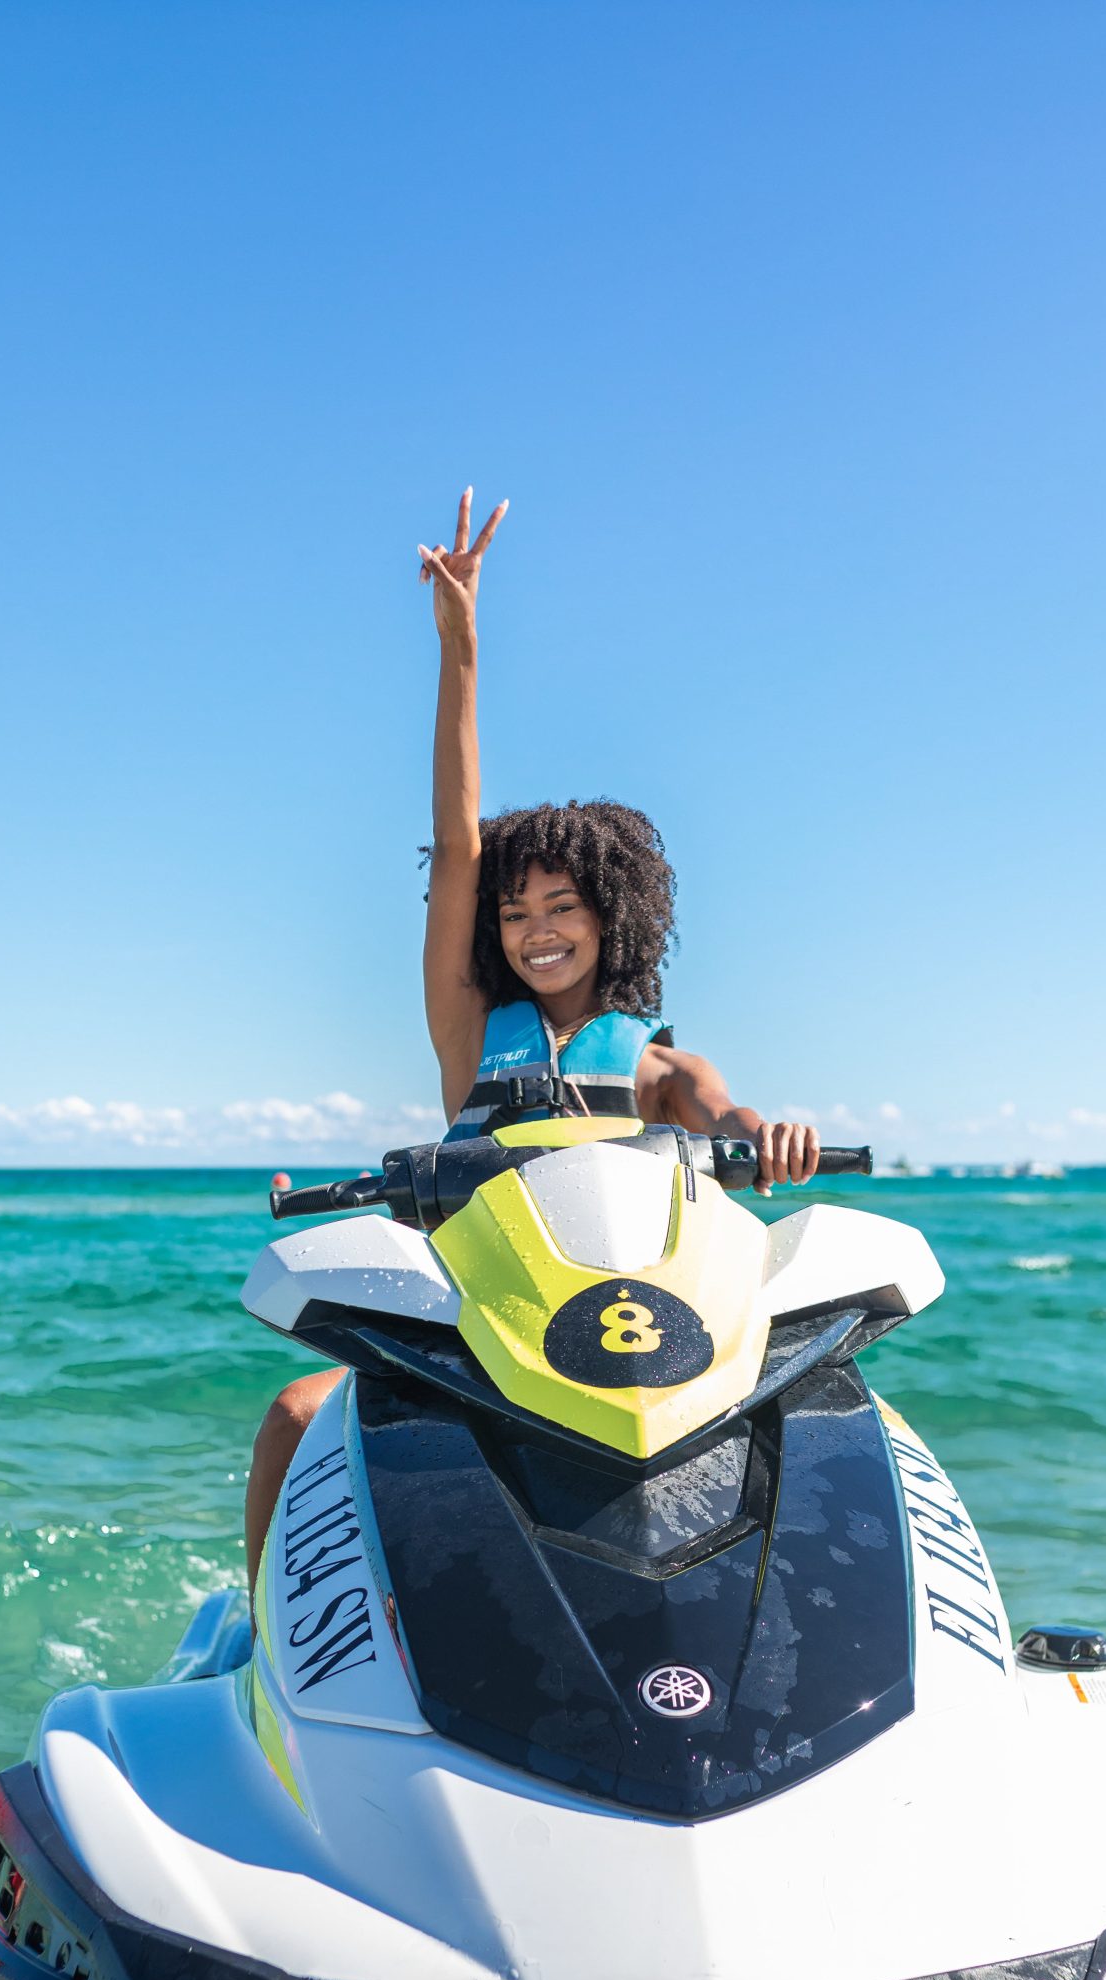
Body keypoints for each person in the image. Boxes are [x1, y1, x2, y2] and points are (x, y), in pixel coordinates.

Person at [245, 491, 822, 1602]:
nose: (536, 929)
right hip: (477, 1333)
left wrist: (770, 1138)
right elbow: (458, 841)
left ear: (612, 915)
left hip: (619, 1342)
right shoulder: (470, 1031)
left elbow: (725, 1113)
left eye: (561, 906)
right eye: (514, 914)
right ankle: (271, 1632)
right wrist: (460, 649)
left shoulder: (653, 1064)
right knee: (294, 1412)